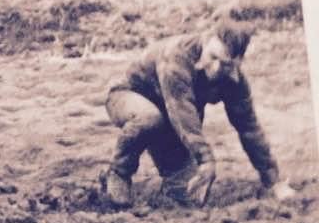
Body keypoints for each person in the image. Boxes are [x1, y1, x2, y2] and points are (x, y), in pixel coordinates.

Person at [100, 20, 291, 208]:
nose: (216, 69)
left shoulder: (233, 79)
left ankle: (169, 188)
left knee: (190, 197)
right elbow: (182, 111)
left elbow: (249, 128)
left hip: (169, 124)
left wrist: (273, 180)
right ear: (207, 40)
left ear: (236, 64)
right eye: (213, 57)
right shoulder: (176, 57)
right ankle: (118, 173)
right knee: (150, 118)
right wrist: (205, 159)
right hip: (128, 98)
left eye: (225, 65)